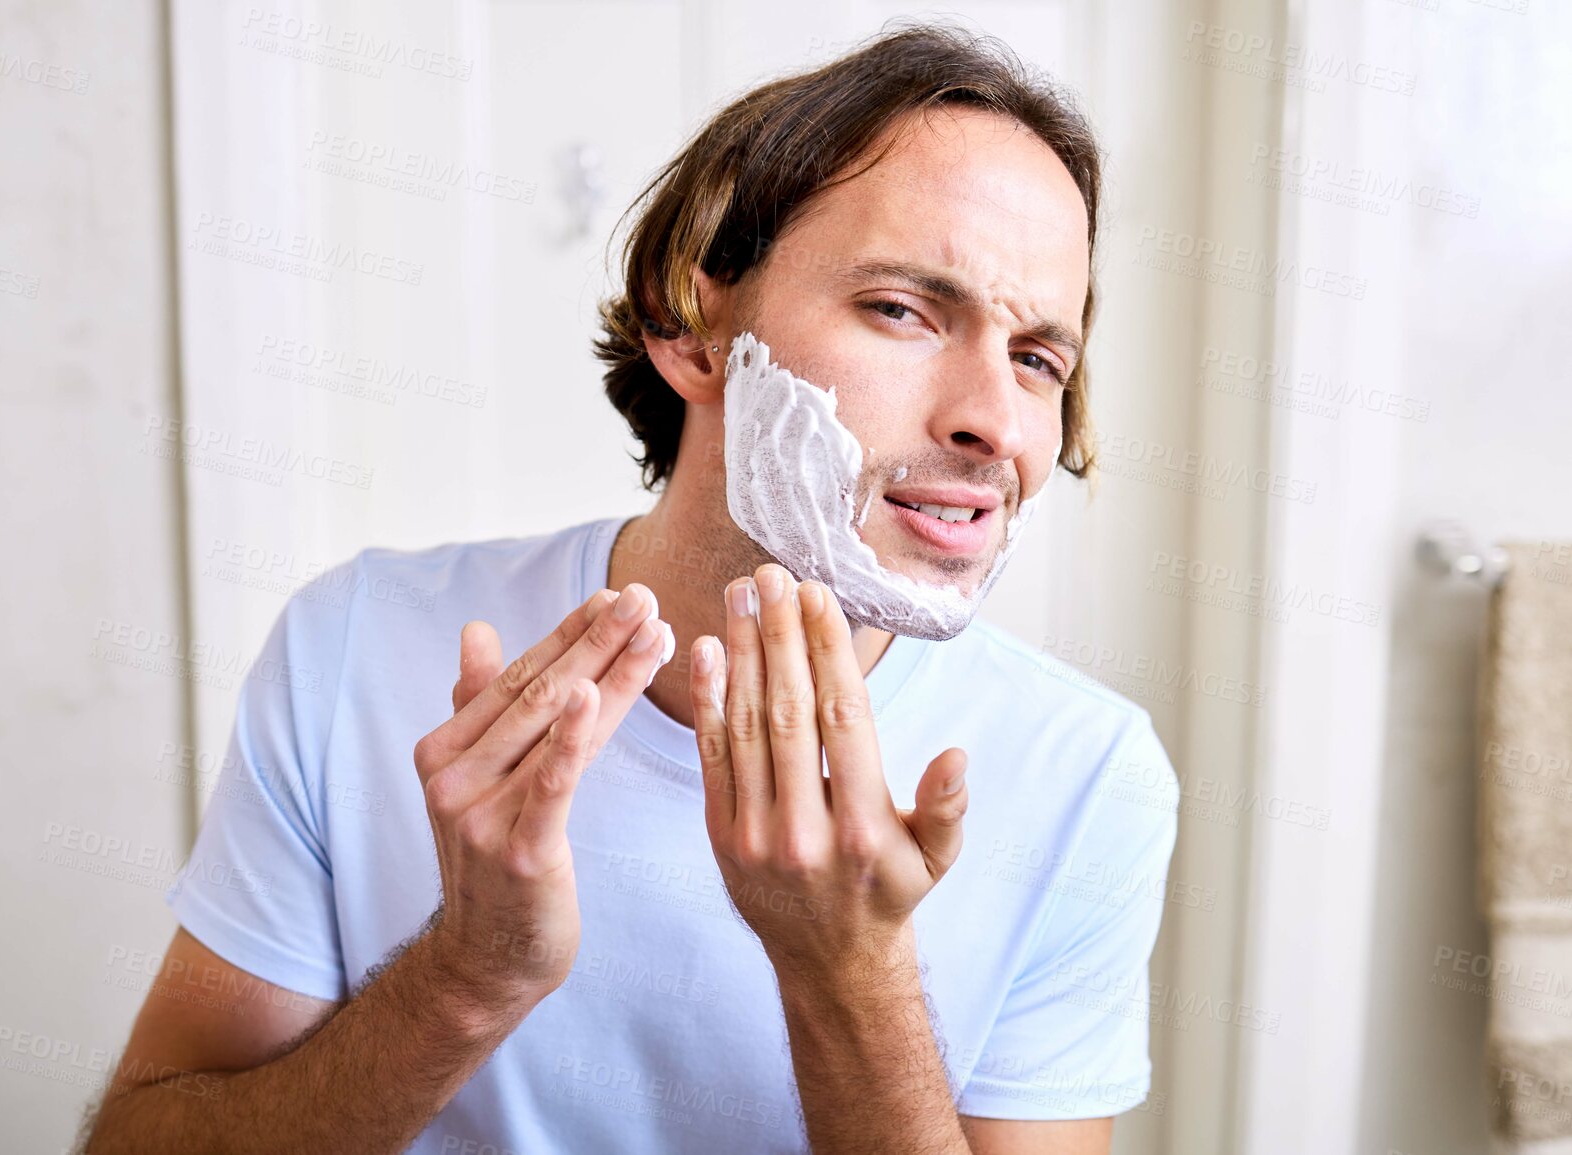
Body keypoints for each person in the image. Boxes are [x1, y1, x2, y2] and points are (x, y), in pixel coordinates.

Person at [80, 21, 1180, 1155]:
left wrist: (848, 979)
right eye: (904, 309)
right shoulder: (356, 648)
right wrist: (464, 981)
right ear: (692, 326)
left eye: (1039, 359)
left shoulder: (1086, 780)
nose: (993, 421)